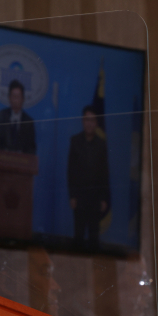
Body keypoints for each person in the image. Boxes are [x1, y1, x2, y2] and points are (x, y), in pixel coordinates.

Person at [67, 105, 110, 246]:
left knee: (94, 239)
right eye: (87, 120)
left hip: (95, 198)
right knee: (78, 237)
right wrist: (72, 195)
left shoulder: (101, 144)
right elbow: (71, 171)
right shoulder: (75, 141)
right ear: (82, 121)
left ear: (96, 123)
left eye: (92, 120)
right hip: (79, 198)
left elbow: (104, 173)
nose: (89, 123)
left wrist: (104, 198)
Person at [0, 80, 36, 154]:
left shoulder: (28, 121)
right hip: (3, 159)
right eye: (13, 96)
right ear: (9, 98)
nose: (15, 100)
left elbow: (31, 148)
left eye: (18, 97)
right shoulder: (2, 116)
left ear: (23, 99)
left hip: (21, 160)